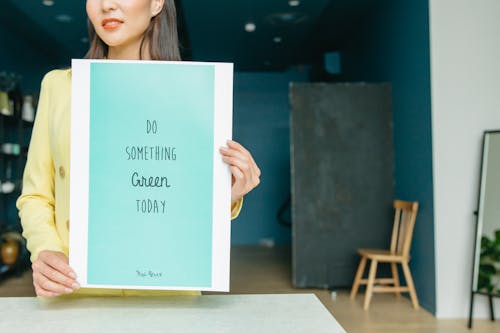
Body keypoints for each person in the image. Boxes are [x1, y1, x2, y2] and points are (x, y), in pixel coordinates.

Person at [16, 0, 261, 298]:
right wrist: (44, 250)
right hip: (76, 288)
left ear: (157, 3)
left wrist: (228, 194)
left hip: (168, 291)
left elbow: (175, 202)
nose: (107, 5)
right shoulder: (59, 86)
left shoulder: (195, 92)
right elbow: (35, 194)